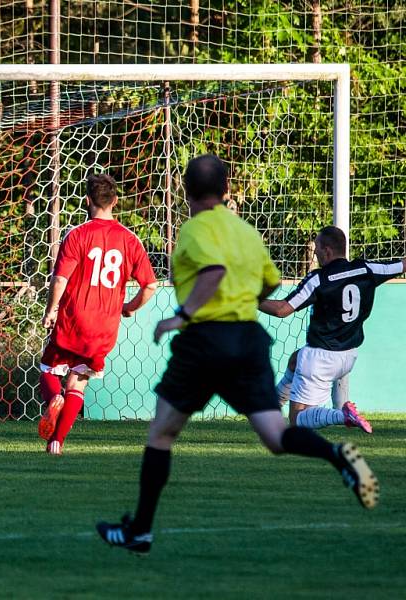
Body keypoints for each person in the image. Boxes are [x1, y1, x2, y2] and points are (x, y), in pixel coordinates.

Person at [95, 155, 379, 555]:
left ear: (188, 193)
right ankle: (337, 457)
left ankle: (140, 530)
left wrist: (181, 316)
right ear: (226, 191)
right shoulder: (245, 233)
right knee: (276, 435)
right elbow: (268, 283)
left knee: (161, 433)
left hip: (204, 342)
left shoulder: (195, 229)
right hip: (248, 342)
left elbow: (212, 273)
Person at [38, 173, 157, 455]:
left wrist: (51, 310)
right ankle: (57, 443)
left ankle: (55, 398)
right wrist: (129, 307)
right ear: (115, 201)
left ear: (87, 200)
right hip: (104, 328)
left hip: (73, 320)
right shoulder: (130, 240)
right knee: (79, 381)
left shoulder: (77, 234)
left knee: (48, 369)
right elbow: (150, 285)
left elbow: (60, 280)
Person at [260, 225, 405, 433]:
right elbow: (402, 265)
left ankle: (341, 415)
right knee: (295, 359)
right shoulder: (367, 269)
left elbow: (282, 309)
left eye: (317, 247)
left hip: (320, 359)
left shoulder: (320, 279)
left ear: (327, 250)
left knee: (297, 420)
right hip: (348, 357)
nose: (315, 252)